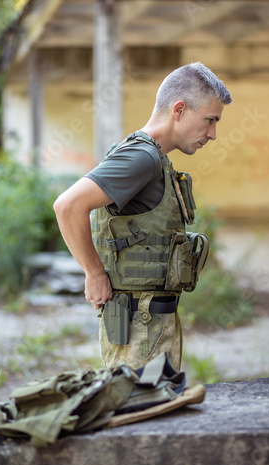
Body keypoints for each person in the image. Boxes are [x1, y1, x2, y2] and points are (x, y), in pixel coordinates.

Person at [54, 62, 232, 370]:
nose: (212, 134)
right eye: (209, 120)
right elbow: (68, 206)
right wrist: (94, 274)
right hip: (138, 325)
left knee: (156, 410)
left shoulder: (150, 156)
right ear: (179, 110)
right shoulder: (141, 157)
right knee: (139, 413)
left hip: (149, 319)